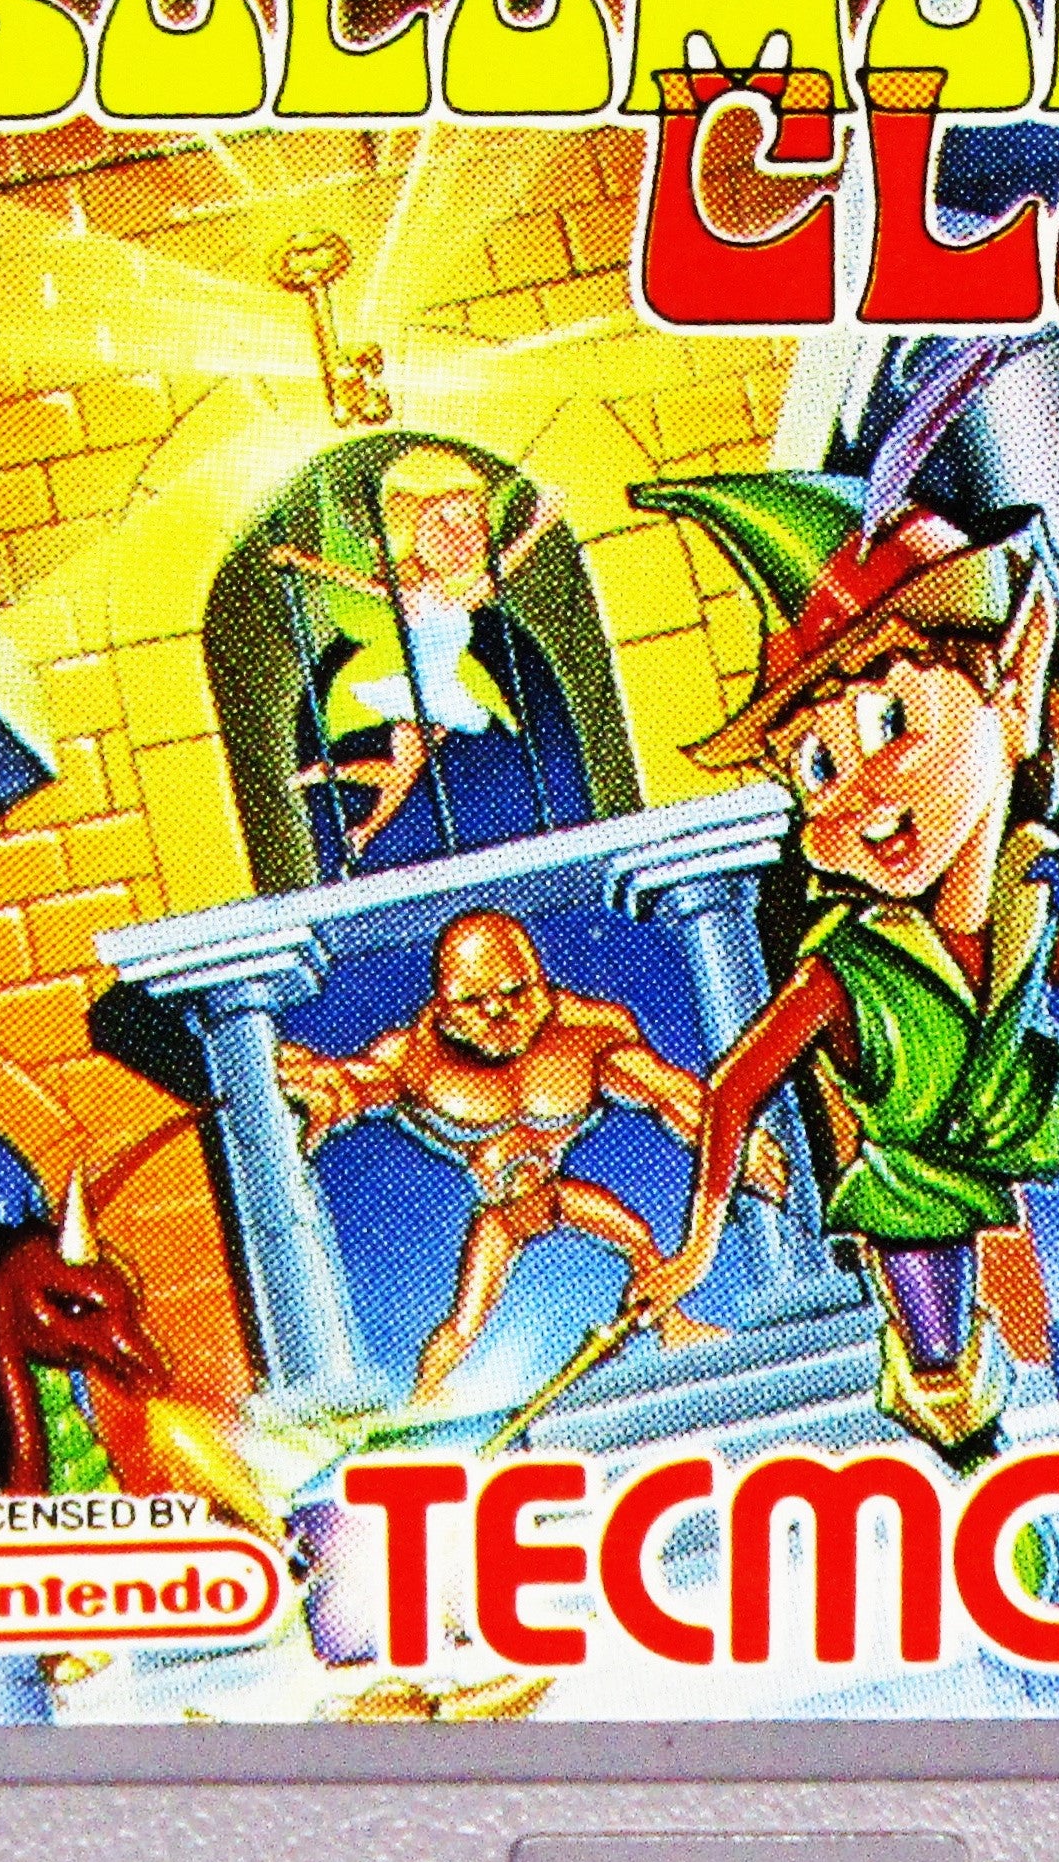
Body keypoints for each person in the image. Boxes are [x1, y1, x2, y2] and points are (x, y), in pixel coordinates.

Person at [635, 340, 1059, 1461]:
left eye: (890, 725)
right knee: (942, 1380)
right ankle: (977, 1480)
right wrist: (693, 1250)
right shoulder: (844, 968)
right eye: (816, 770)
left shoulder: (1024, 889)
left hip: (1026, 1112)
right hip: (916, 1183)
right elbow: (734, 1087)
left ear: (1011, 690)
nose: (856, 796)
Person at [275, 907, 788, 1404]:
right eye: (472, 1001)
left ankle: (676, 1327)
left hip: (558, 1194)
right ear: (444, 1006)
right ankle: (425, 1398)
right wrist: (323, 1095)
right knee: (464, 1324)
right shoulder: (414, 1059)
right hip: (503, 1216)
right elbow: (355, 1085)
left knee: (639, 1241)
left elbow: (666, 1091)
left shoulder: (588, 1036)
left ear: (540, 982)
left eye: (515, 992)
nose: (497, 1013)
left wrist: (732, 1140)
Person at [269, 443, 556, 860]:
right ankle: (339, 791)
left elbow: (495, 573)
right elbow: (355, 581)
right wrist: (301, 561)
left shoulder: (449, 597)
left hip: (445, 695)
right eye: (445, 522)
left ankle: (351, 808)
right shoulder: (417, 599)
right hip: (423, 694)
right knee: (402, 774)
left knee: (403, 774)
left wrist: (538, 525)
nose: (462, 539)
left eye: (471, 520)